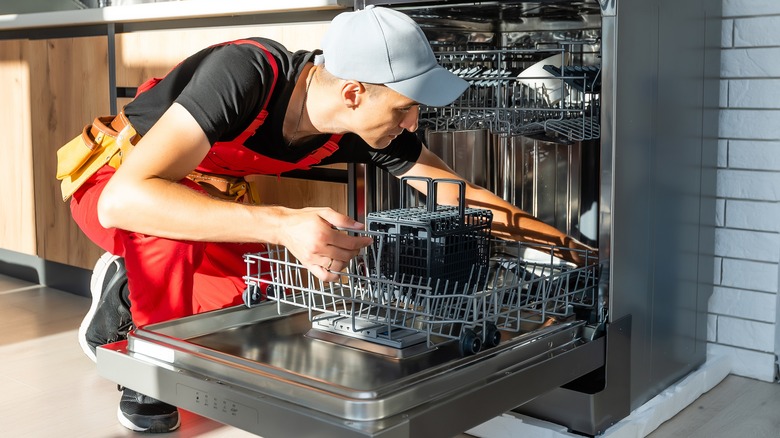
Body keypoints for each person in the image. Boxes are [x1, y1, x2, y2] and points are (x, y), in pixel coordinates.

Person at [63, 5, 593, 434]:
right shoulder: (246, 74)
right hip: (113, 183)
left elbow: (460, 195)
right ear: (354, 92)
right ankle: (145, 376)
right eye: (406, 108)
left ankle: (125, 289)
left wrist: (571, 249)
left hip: (203, 200)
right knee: (167, 246)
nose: (414, 123)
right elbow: (127, 199)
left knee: (229, 311)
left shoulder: (362, 123)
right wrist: (282, 224)